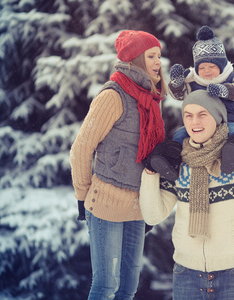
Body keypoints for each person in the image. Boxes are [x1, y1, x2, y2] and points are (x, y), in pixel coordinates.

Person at [140, 90, 234, 300]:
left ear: (218, 116)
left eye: (203, 114)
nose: (195, 121)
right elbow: (153, 215)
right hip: (186, 275)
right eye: (188, 115)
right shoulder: (177, 160)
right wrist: (150, 171)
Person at [70, 30, 167, 300]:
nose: (158, 61)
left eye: (159, 55)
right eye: (151, 56)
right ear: (136, 59)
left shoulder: (151, 98)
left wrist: (152, 204)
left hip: (137, 206)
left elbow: (151, 156)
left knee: (127, 289)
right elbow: (81, 148)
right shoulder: (113, 96)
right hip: (107, 203)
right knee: (106, 286)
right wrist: (82, 195)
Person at [147, 25, 234, 180]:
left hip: (230, 119)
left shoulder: (230, 76)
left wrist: (224, 91)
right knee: (180, 134)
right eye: (202, 67)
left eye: (212, 66)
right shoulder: (193, 77)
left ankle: (231, 157)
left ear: (222, 66)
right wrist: (177, 84)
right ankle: (171, 161)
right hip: (201, 122)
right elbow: (179, 96)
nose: (206, 71)